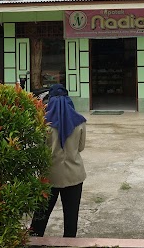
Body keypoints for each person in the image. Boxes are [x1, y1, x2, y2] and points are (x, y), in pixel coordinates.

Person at [30, 84, 87, 237]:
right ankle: (69, 243)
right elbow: (80, 147)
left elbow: (39, 149)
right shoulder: (79, 121)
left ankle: (34, 242)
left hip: (50, 176)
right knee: (71, 217)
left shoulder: (43, 122)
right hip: (74, 175)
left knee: (40, 216)